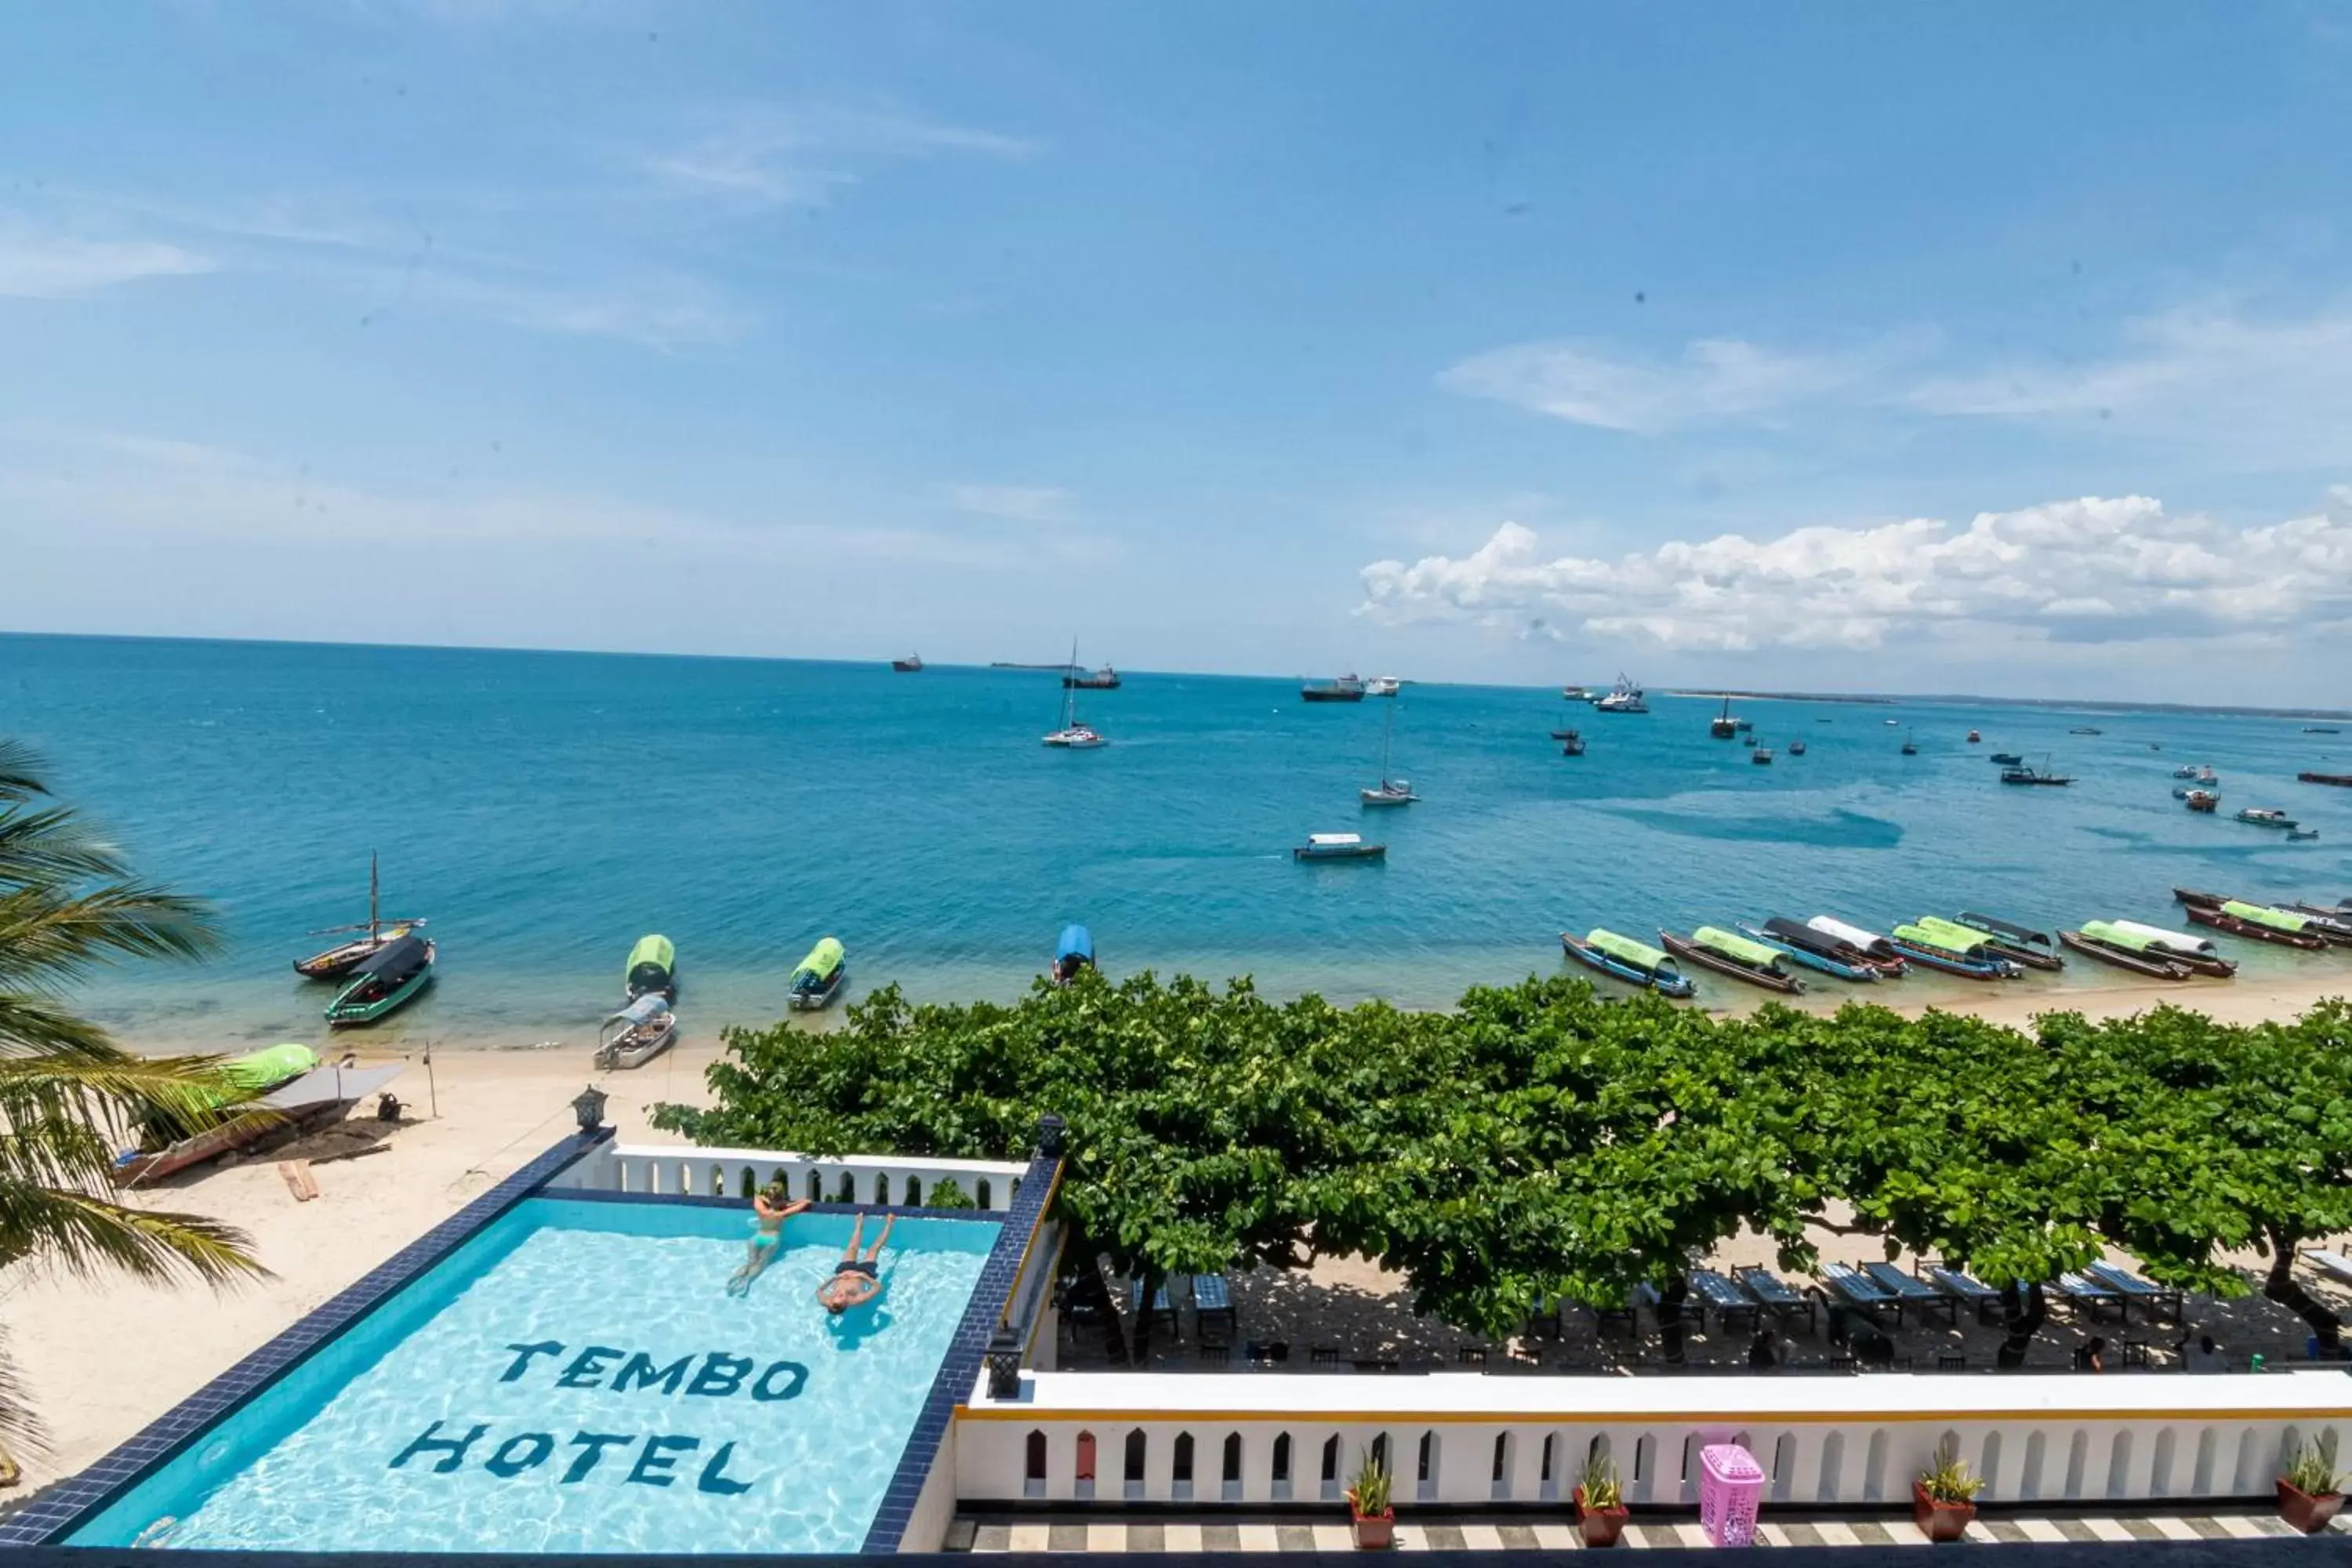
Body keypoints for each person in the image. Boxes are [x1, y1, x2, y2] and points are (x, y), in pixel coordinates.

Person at [726, 1181, 811, 1296]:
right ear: (782, 1197)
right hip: (771, 1240)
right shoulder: (782, 1214)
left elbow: (757, 1196)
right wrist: (788, 1203)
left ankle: (735, 1277)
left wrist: (768, 1199)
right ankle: (747, 1281)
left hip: (756, 1238)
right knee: (760, 1263)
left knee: (750, 1263)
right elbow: (806, 1203)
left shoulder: (761, 1210)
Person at [818, 1212, 897, 1313]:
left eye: (835, 1295)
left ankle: (859, 1224)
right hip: (864, 1273)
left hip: (844, 1271)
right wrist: (863, 1276)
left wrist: (835, 1278)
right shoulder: (857, 1300)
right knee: (874, 1248)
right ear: (846, 1303)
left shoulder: (827, 1301)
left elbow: (819, 1291)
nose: (838, 1294)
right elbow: (878, 1287)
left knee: (852, 1246)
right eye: (841, 1296)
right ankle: (889, 1223)